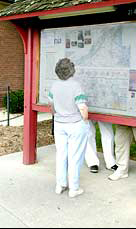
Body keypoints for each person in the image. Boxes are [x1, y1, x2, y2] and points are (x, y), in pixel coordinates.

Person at [48, 58, 91, 198]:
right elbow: (82, 108)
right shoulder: (76, 86)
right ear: (71, 70)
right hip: (75, 124)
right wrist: (85, 120)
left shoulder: (54, 86)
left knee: (61, 155)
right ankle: (74, 188)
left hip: (59, 124)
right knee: (75, 156)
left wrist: (58, 114)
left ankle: (60, 185)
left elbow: (52, 107)